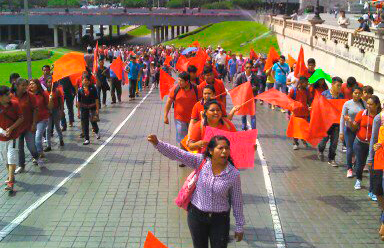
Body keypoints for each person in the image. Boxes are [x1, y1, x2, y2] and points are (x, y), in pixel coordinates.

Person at [147, 134, 244, 248]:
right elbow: (178, 154)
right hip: (196, 216)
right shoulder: (200, 161)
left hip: (220, 220)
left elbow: (237, 201)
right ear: (211, 151)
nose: (224, 151)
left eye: (227, 148)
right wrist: (158, 143)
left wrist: (239, 226)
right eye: (220, 148)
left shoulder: (233, 174)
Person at [345, 95, 381, 190]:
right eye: (367, 104)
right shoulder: (362, 113)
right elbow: (354, 128)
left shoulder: (380, 116)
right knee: (360, 164)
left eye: (371, 104)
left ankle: (373, 186)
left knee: (372, 165)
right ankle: (358, 180)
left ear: (377, 105)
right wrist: (349, 122)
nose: (368, 106)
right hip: (360, 143)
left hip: (374, 146)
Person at [164, 72, 199, 163]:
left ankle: (191, 157)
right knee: (182, 139)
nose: (179, 82)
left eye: (181, 81)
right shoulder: (175, 89)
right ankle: (183, 159)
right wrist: (165, 116)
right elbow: (168, 102)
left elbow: (201, 102)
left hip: (194, 119)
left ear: (187, 81)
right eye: (178, 80)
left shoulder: (196, 89)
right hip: (179, 118)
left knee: (192, 138)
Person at [11, 78, 39, 173]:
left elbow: (35, 109)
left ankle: (35, 156)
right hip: (17, 128)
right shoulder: (11, 97)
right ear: (17, 86)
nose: (25, 87)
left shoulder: (30, 96)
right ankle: (21, 165)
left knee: (31, 146)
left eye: (25, 85)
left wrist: (34, 123)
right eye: (22, 85)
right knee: (19, 148)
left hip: (28, 126)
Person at [0, 86, 24, 191]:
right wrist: (2, 131)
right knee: (6, 159)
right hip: (1, 138)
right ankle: (11, 176)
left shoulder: (15, 104)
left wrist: (11, 128)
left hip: (13, 137)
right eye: (7, 94)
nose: (10, 96)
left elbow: (21, 118)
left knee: (11, 158)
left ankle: (10, 182)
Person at [317, 77, 344, 166]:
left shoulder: (341, 96)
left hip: (336, 124)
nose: (339, 88)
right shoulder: (324, 94)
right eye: (338, 86)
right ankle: (320, 150)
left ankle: (331, 158)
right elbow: (319, 106)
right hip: (326, 123)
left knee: (334, 143)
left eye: (340, 86)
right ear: (332, 84)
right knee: (323, 141)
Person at [340, 86, 365, 177]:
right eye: (355, 93)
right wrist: (341, 132)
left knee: (358, 149)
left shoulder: (364, 104)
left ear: (362, 94)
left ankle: (356, 165)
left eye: (359, 93)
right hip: (349, 130)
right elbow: (342, 119)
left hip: (359, 130)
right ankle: (349, 169)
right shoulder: (347, 104)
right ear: (352, 94)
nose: (357, 95)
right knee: (350, 149)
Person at [28, 79, 49, 159]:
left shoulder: (43, 94)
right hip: (31, 121)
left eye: (33, 84)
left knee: (37, 137)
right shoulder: (27, 95)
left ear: (37, 85)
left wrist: (50, 101)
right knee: (32, 139)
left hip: (42, 119)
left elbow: (49, 107)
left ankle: (39, 153)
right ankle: (36, 153)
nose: (31, 86)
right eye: (30, 84)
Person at [288, 77, 310, 150]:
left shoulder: (307, 91)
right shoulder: (293, 90)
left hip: (305, 113)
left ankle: (303, 139)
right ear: (300, 83)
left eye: (307, 83)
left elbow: (309, 100)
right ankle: (295, 143)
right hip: (296, 113)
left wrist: (310, 107)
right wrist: (291, 109)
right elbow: (289, 100)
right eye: (305, 83)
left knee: (304, 128)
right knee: (296, 129)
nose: (307, 84)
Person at [77, 73, 100, 145]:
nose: (86, 81)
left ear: (89, 81)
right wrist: (78, 112)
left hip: (92, 108)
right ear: (82, 81)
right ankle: (87, 139)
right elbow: (79, 101)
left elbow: (96, 99)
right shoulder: (80, 90)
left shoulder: (93, 88)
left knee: (93, 122)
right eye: (84, 80)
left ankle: (96, 131)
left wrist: (97, 109)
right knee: (85, 124)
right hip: (84, 108)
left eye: (87, 80)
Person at [235, 61, 258, 130]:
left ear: (252, 68)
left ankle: (253, 130)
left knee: (252, 114)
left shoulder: (255, 76)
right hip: (243, 97)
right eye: (247, 67)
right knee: (244, 114)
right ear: (244, 68)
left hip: (252, 98)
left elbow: (258, 86)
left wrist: (254, 88)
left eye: (250, 67)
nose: (248, 69)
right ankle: (244, 126)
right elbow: (236, 86)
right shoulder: (240, 76)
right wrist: (243, 88)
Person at [45, 76, 64, 152]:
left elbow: (61, 102)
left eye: (51, 82)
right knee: (48, 129)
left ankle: (61, 139)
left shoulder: (57, 91)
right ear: (46, 83)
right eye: (49, 82)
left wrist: (61, 110)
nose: (50, 83)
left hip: (56, 110)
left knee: (57, 126)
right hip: (48, 112)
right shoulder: (45, 92)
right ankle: (48, 145)